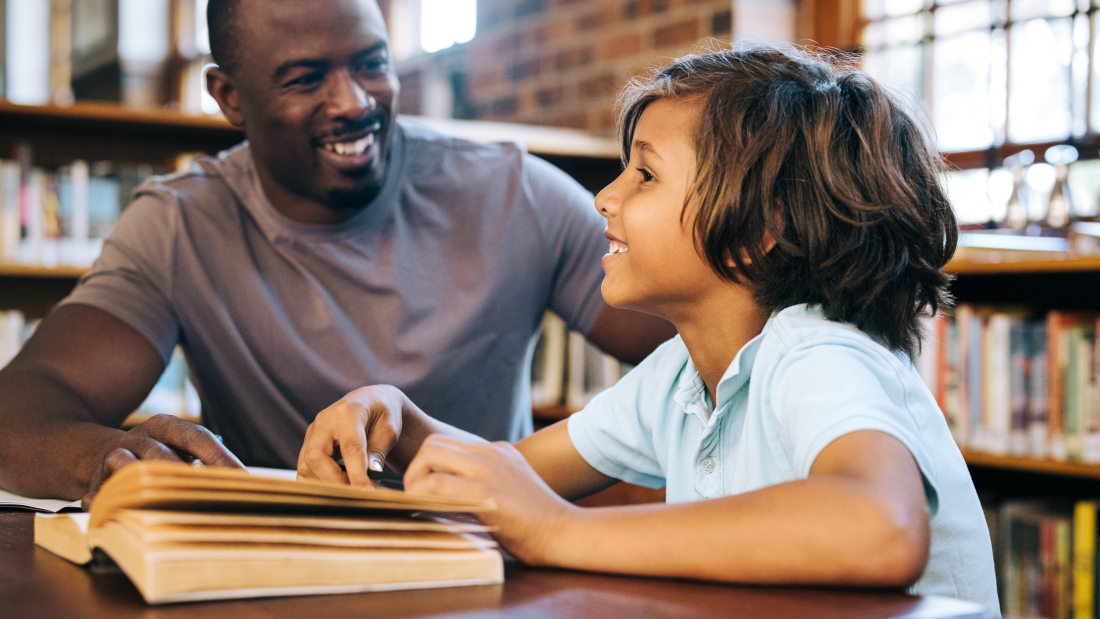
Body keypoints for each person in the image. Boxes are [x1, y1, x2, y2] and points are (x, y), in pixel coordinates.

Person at [297, 44, 1000, 611]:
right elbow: (509, 478)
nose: (604, 197)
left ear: (760, 229)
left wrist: (558, 529)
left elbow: (880, 528)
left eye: (644, 175)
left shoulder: (819, 353)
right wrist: (398, 420)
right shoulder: (676, 377)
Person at [0, 0, 671, 506]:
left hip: (489, 563)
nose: (354, 102)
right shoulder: (180, 224)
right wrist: (106, 456)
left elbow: (711, 334)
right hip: (275, 582)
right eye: (305, 78)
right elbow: (23, 405)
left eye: (372, 64)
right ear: (228, 96)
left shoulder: (513, 191)